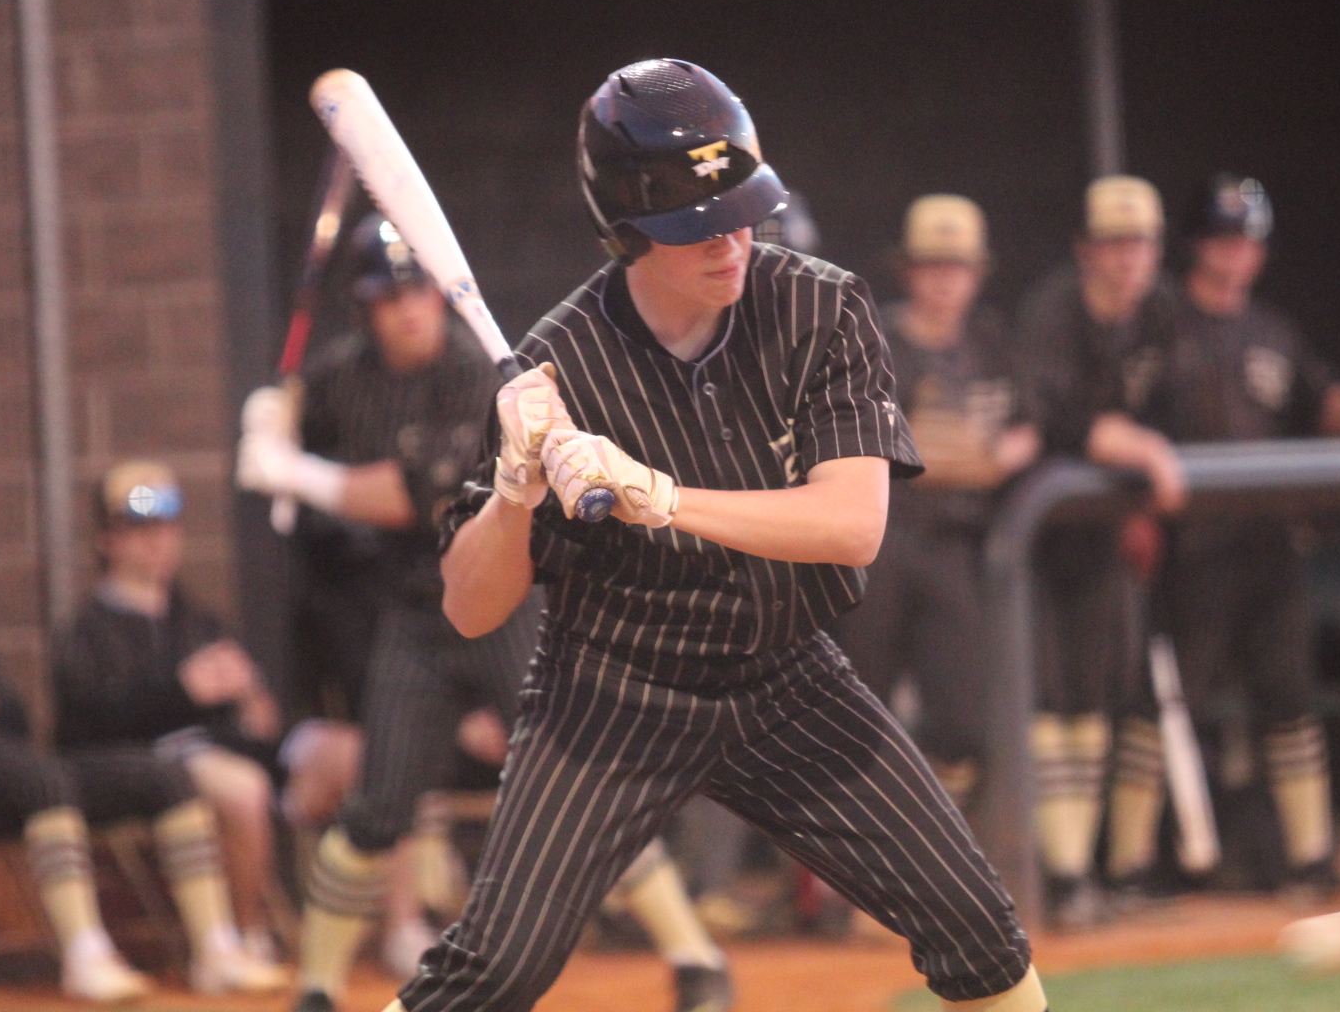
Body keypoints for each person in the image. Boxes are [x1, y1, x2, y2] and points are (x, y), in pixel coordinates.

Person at [383, 58, 1044, 1012]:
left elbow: (852, 527)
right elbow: (472, 604)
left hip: (787, 674)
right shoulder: (553, 365)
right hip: (614, 688)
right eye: (696, 225)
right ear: (626, 228)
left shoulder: (824, 307)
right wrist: (517, 492)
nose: (732, 240)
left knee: (978, 929)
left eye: (744, 209)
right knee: (494, 970)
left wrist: (658, 493)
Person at [236, 218, 733, 1012]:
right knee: (377, 810)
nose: (407, 311)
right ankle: (318, 989)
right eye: (388, 298)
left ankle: (696, 960)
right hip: (413, 618)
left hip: (508, 607)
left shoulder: (478, 378)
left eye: (418, 294)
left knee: (588, 782)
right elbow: (298, 460)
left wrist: (294, 473)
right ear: (366, 309)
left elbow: (419, 495)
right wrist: (270, 427)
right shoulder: (335, 379)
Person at [0, 497, 287, 1000]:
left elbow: (12, 716)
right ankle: (85, 953)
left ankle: (215, 948)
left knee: (164, 777)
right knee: (41, 780)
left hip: (9, 769)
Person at [1105, 175, 1340, 897]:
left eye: (1247, 242)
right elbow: (1114, 416)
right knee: (1164, 710)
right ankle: (1128, 870)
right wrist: (1132, 513)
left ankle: (1311, 859)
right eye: (1223, 239)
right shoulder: (1159, 322)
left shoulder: (1272, 331)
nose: (1236, 254)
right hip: (1190, 547)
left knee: (1290, 700)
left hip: (1267, 546)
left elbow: (1317, 406)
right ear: (1197, 245)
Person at [54, 460, 359, 962]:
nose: (157, 541)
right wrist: (180, 691)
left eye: (166, 526)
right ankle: (239, 937)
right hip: (149, 769)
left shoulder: (197, 619)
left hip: (236, 752)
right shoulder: (88, 631)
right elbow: (82, 728)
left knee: (360, 753)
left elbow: (254, 711)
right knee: (241, 786)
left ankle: (397, 928)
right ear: (107, 540)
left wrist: (252, 703)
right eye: (138, 529)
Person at [1012, 175, 1184, 928]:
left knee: (1110, 698)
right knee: (1059, 703)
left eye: (1139, 242)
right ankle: (1066, 875)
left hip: (1110, 531)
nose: (1126, 258)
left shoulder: (1160, 313)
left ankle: (1113, 874)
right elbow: (1046, 417)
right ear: (1086, 249)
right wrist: (1136, 447)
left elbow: (1176, 403)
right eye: (1112, 243)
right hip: (1040, 537)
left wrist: (1141, 477)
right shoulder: (1052, 310)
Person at [838, 194, 1038, 806]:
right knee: (852, 714)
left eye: (958, 266)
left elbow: (1031, 425)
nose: (946, 280)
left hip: (955, 544)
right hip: (880, 542)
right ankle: (831, 889)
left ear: (978, 273)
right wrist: (929, 453)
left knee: (962, 725)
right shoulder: (876, 342)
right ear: (908, 271)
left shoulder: (992, 343)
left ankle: (921, 844)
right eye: (932, 265)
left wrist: (1003, 453)